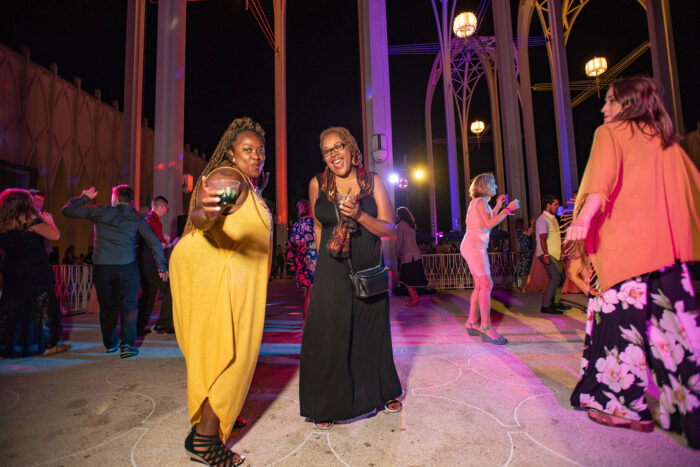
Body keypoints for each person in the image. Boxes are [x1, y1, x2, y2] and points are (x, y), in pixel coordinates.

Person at [567, 76, 700, 448]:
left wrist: (582, 222)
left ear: (627, 103)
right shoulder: (667, 143)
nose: (603, 108)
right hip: (670, 257)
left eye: (610, 100)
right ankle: (690, 415)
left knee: (621, 334)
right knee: (676, 337)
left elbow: (600, 184)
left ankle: (625, 408)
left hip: (625, 255)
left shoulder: (610, 133)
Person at [170, 117, 271, 466]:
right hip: (220, 277)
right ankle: (205, 442)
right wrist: (205, 212)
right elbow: (203, 212)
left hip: (233, 276)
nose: (256, 156)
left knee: (229, 353)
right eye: (248, 150)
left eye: (260, 150)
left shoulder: (247, 183)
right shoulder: (230, 178)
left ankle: (203, 427)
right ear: (231, 152)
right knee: (227, 357)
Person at [300, 126, 402, 429]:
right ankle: (326, 404)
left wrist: (360, 216)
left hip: (368, 268)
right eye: (327, 150)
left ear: (351, 148)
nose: (334, 154)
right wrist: (319, 263)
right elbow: (319, 226)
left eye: (338, 147)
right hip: (331, 269)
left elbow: (389, 229)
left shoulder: (373, 183)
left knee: (371, 332)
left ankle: (382, 392)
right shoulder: (317, 183)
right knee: (328, 334)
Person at [61, 185, 168, 359]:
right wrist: (162, 267)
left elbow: (67, 211)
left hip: (103, 267)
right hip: (127, 267)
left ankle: (110, 344)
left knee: (107, 307)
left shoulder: (100, 211)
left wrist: (84, 197)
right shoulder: (137, 218)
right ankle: (127, 345)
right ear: (131, 201)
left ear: (114, 198)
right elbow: (155, 243)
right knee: (130, 307)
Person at [0, 188, 68, 357]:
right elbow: (55, 235)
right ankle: (47, 345)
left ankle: (7, 345)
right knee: (42, 305)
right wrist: (49, 221)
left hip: (12, 270)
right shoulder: (30, 219)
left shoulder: (2, 223)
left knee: (11, 307)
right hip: (35, 268)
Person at [460, 172, 519, 345]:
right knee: (487, 285)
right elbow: (489, 224)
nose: (496, 187)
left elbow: (487, 219)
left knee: (480, 286)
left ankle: (471, 322)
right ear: (486, 186)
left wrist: (499, 206)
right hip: (475, 247)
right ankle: (486, 327)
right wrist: (509, 209)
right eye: (493, 184)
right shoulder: (480, 202)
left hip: (471, 245)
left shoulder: (479, 203)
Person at [137, 196, 174, 335]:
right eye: (167, 208)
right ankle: (162, 324)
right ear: (162, 206)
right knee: (170, 290)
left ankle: (138, 328)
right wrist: (170, 243)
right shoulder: (155, 222)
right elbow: (156, 247)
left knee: (149, 295)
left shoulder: (145, 220)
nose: (167, 211)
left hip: (143, 263)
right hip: (151, 264)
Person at [535, 195, 570, 314]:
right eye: (555, 204)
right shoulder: (542, 219)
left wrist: (562, 252)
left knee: (562, 278)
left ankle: (556, 302)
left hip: (556, 253)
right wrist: (546, 255)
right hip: (547, 253)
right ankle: (546, 306)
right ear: (548, 205)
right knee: (555, 278)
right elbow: (542, 238)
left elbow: (556, 237)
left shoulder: (553, 219)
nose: (557, 207)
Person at [287, 199, 317, 320]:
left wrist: (291, 263)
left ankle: (306, 322)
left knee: (307, 293)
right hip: (314, 260)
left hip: (301, 263)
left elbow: (291, 246)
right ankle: (311, 322)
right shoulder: (313, 222)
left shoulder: (295, 226)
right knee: (313, 292)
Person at [395, 206, 428, 306]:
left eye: (397, 213)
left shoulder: (401, 224)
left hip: (408, 256)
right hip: (415, 255)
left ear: (401, 214)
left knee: (406, 279)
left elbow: (399, 241)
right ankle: (415, 297)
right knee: (411, 280)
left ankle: (414, 299)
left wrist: (397, 252)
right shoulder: (411, 225)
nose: (396, 215)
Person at [515, 218, 535, 289]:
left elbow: (530, 232)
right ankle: (522, 285)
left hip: (526, 250)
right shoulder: (519, 230)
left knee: (526, 267)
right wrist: (532, 225)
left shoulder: (521, 230)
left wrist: (531, 228)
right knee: (524, 267)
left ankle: (524, 284)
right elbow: (529, 234)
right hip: (525, 250)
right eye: (522, 223)